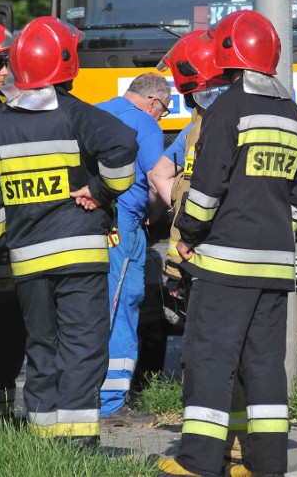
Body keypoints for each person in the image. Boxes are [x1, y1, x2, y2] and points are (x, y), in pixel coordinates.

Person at [158, 11, 297, 477]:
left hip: (225, 265)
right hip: (274, 266)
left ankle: (199, 463)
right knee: (264, 365)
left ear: (226, 53)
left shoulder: (227, 110)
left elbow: (206, 192)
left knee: (209, 359)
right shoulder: (292, 113)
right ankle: (266, 465)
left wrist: (187, 234)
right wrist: (269, 234)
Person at [0, 16, 139, 446]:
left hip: (27, 260)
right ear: (67, 64)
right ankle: (78, 445)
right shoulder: (76, 115)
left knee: (41, 349)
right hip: (80, 255)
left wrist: (5, 244)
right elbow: (124, 148)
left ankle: (44, 443)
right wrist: (102, 191)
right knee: (83, 347)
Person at [149, 30, 251, 468]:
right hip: (231, 253)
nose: (193, 100)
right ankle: (242, 447)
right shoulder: (233, 114)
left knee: (208, 358)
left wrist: (177, 250)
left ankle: (205, 456)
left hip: (205, 257)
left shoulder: (208, 122)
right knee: (241, 356)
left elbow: (174, 184)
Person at [97, 73, 170, 421]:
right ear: (154, 101)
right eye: (165, 110)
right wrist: (158, 213)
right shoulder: (145, 123)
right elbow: (158, 180)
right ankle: (111, 402)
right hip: (123, 223)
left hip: (91, 221)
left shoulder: (94, 110)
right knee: (123, 301)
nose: (161, 116)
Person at [0, 21, 27, 416]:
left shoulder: (2, 111)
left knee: (11, 332)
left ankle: (0, 419)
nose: (5, 71)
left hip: (5, 246)